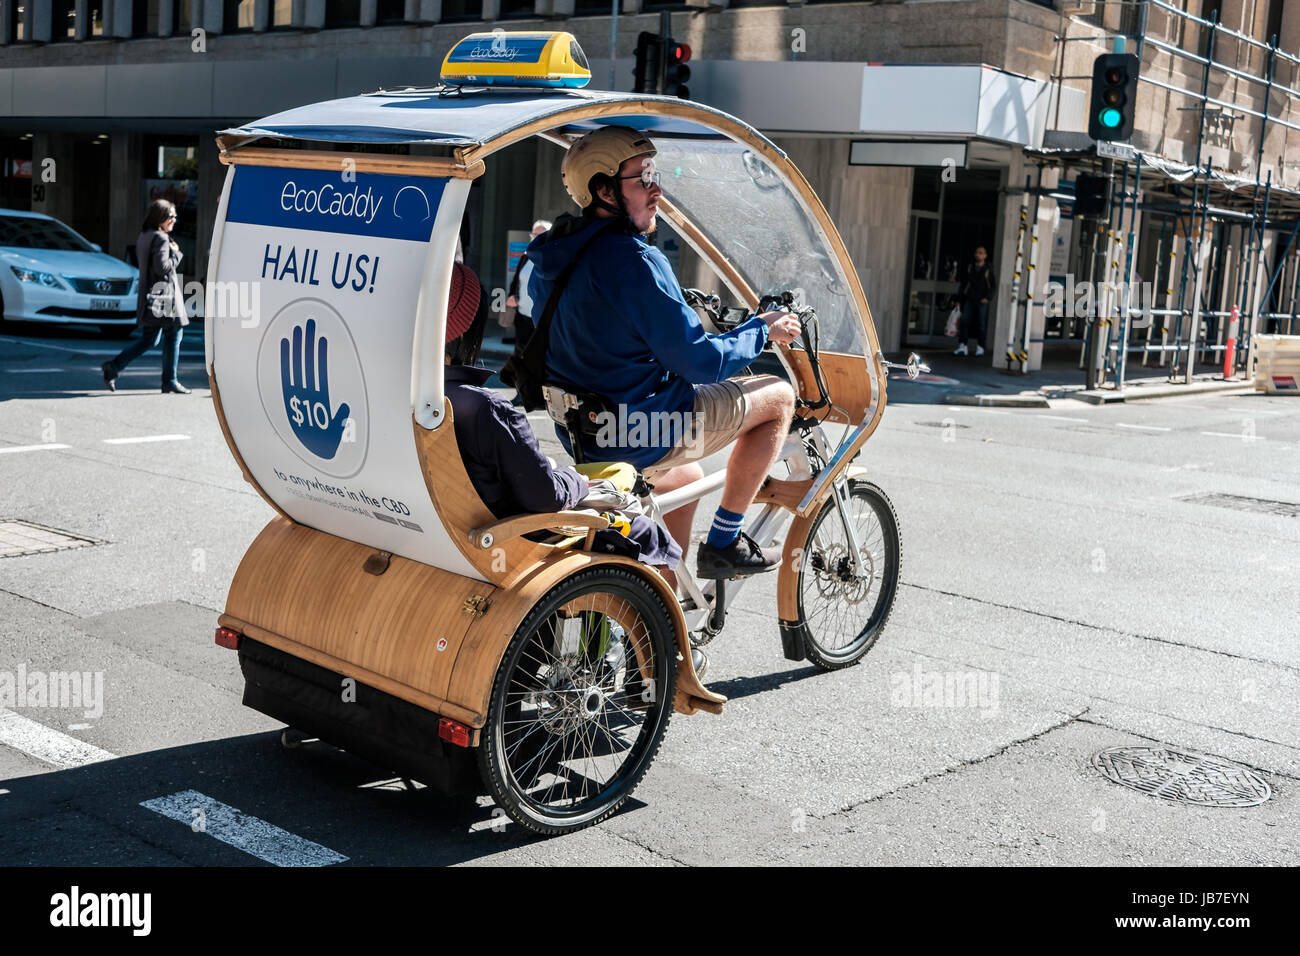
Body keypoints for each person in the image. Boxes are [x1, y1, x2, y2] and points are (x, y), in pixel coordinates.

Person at [526, 126, 802, 584]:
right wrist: (762, 330)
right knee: (777, 395)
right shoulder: (637, 260)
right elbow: (699, 361)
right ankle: (724, 544)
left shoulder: (553, 257)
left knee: (688, 478)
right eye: (643, 178)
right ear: (604, 190)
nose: (657, 189)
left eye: (655, 174)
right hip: (643, 428)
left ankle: (663, 595)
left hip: (583, 432)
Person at [443, 260, 683, 585]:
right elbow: (546, 497)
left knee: (621, 474)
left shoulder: (404, 397)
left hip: (449, 533)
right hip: (513, 538)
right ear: (469, 334)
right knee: (649, 534)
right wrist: (575, 482)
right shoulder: (486, 408)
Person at [102, 199, 190, 394]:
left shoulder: (145, 235)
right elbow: (162, 267)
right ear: (161, 217)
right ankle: (170, 380)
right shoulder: (161, 238)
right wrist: (176, 254)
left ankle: (113, 367)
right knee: (174, 334)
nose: (175, 220)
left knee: (150, 339)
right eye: (172, 216)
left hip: (150, 296)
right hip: (164, 298)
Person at [504, 219, 552, 352]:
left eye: (541, 235)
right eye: (534, 235)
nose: (536, 238)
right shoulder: (526, 257)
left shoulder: (553, 260)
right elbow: (516, 281)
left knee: (537, 355)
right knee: (520, 354)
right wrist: (511, 295)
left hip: (542, 319)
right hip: (522, 315)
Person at [954, 245, 992, 357]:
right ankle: (962, 346)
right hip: (970, 298)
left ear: (985, 255)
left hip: (982, 300)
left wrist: (987, 298)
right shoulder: (970, 267)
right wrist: (959, 299)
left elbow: (993, 286)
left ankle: (980, 347)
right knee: (964, 322)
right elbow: (964, 284)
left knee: (981, 325)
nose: (978, 254)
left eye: (981, 253)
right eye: (977, 252)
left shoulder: (988, 269)